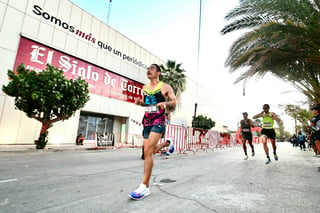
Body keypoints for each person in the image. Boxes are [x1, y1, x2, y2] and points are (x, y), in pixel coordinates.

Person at [129, 64, 176, 200]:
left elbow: (173, 101)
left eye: (152, 68)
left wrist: (166, 104)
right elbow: (146, 103)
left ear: (159, 73)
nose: (148, 70)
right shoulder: (144, 88)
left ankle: (144, 186)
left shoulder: (165, 87)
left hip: (159, 119)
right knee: (148, 151)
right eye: (147, 69)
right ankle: (167, 143)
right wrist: (140, 103)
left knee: (149, 149)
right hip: (147, 120)